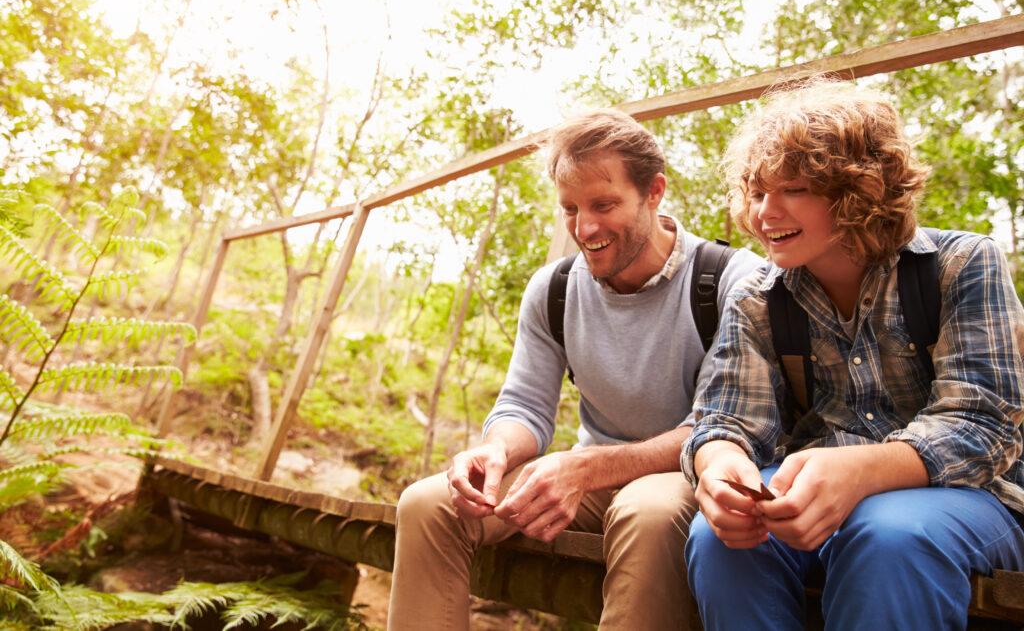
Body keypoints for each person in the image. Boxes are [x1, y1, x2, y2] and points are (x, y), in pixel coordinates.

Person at [388, 108, 763, 630]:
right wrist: (496, 451)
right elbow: (524, 404)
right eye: (570, 208)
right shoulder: (554, 289)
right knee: (429, 504)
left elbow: (721, 427)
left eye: (604, 204)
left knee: (648, 512)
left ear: (654, 192)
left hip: (688, 471)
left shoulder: (731, 280)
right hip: (592, 474)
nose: (584, 228)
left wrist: (586, 469)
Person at [682, 77, 1024, 630]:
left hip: (966, 500)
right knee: (721, 539)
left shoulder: (961, 265)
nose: (766, 212)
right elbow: (724, 419)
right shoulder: (758, 299)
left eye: (793, 189)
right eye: (758, 191)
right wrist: (721, 469)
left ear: (858, 190)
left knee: (890, 535)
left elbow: (984, 427)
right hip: (811, 503)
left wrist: (863, 472)